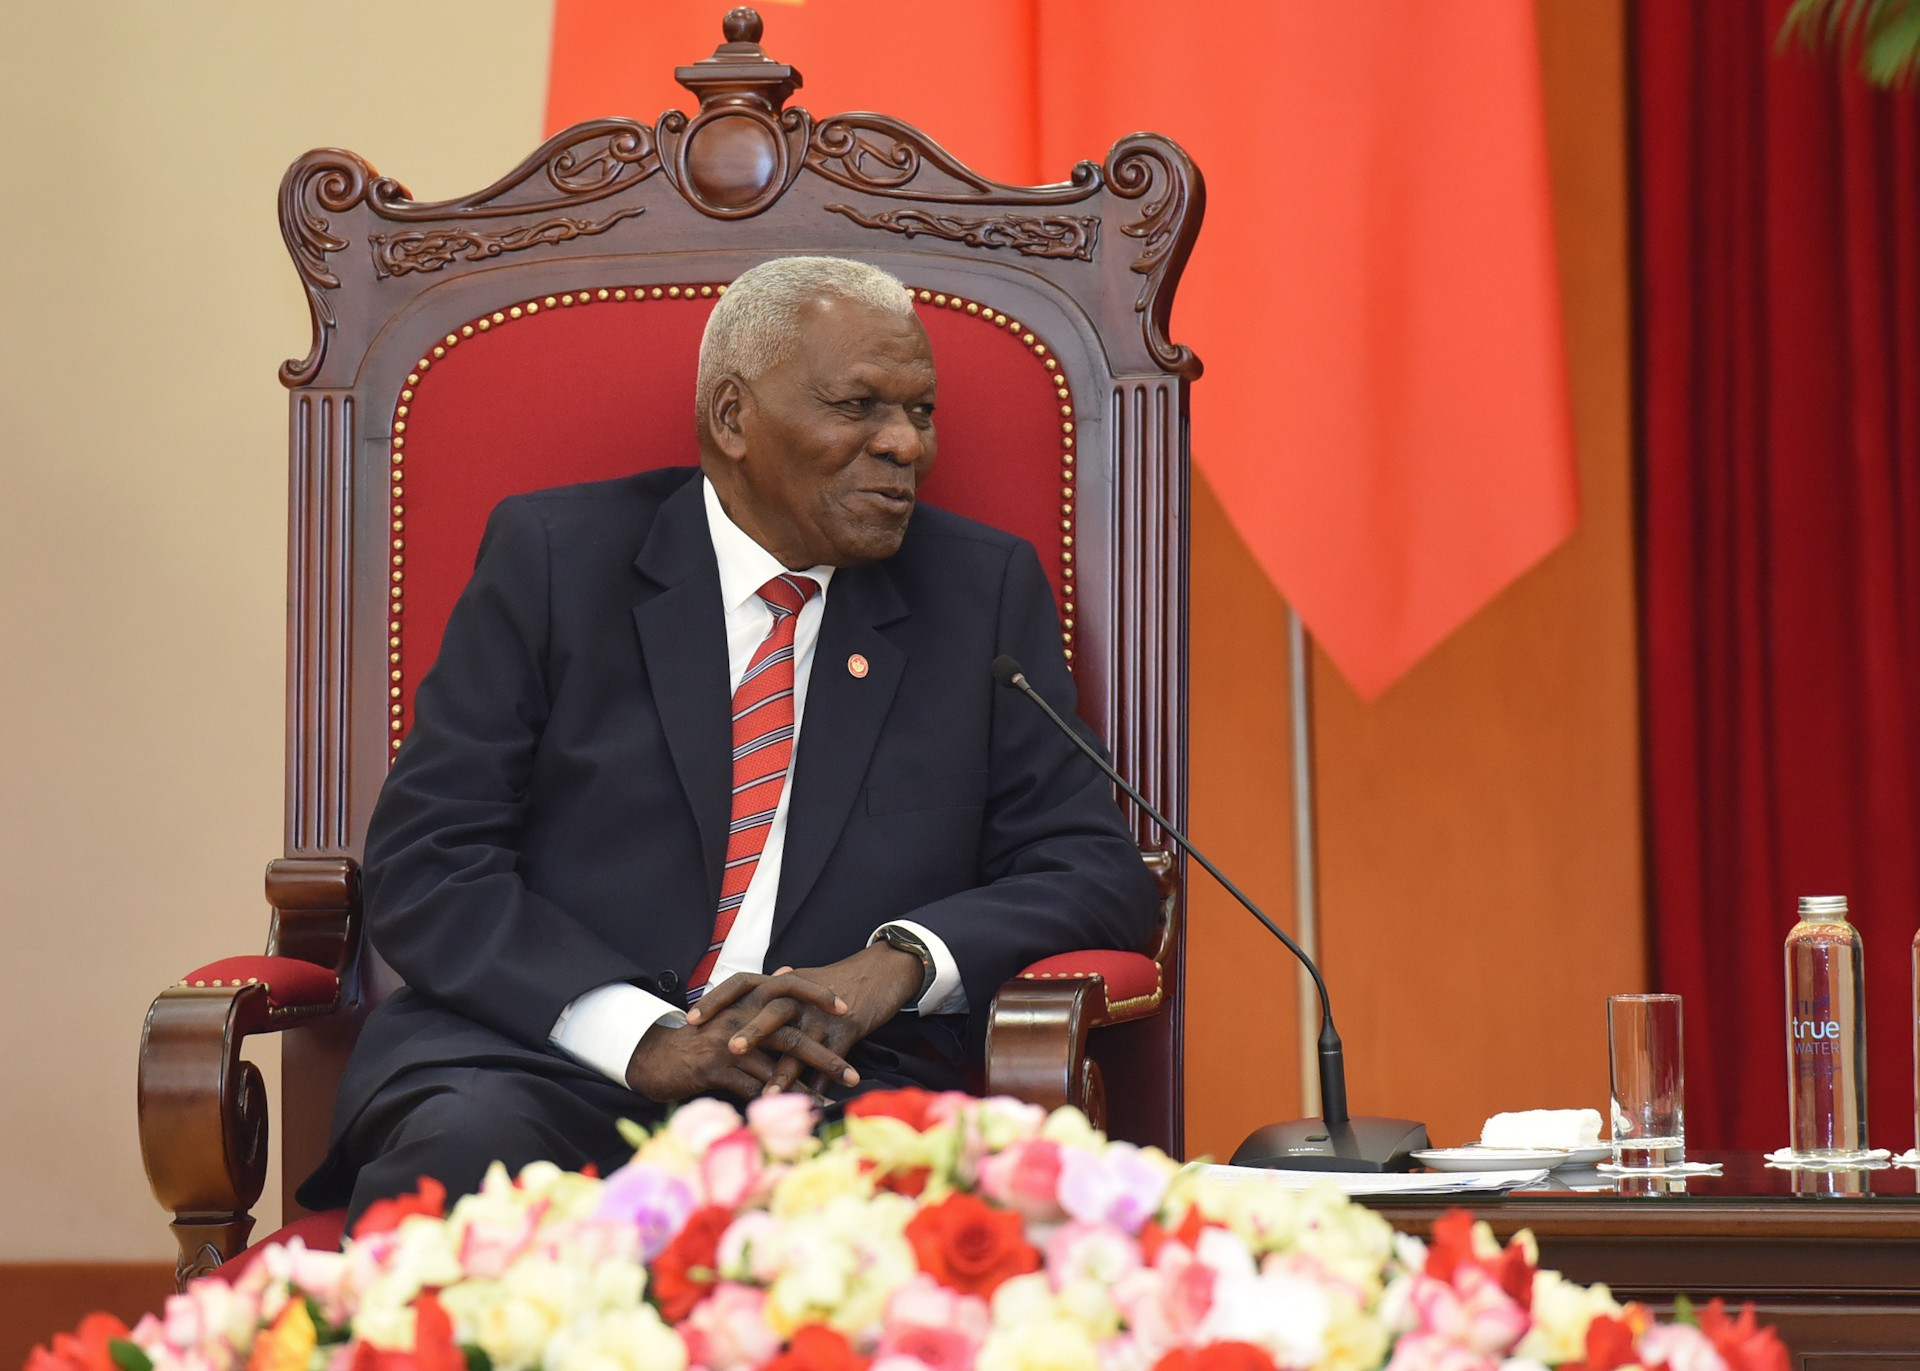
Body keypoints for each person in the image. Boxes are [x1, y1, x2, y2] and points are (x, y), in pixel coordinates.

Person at [299, 256, 1158, 1225]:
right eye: (859, 406)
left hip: (835, 1083)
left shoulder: (979, 592)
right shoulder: (555, 561)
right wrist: (641, 1034)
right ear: (733, 419)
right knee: (460, 1176)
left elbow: (1095, 871)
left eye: (920, 412)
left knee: (917, 1225)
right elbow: (429, 861)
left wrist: (892, 966)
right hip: (544, 1060)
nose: (903, 445)